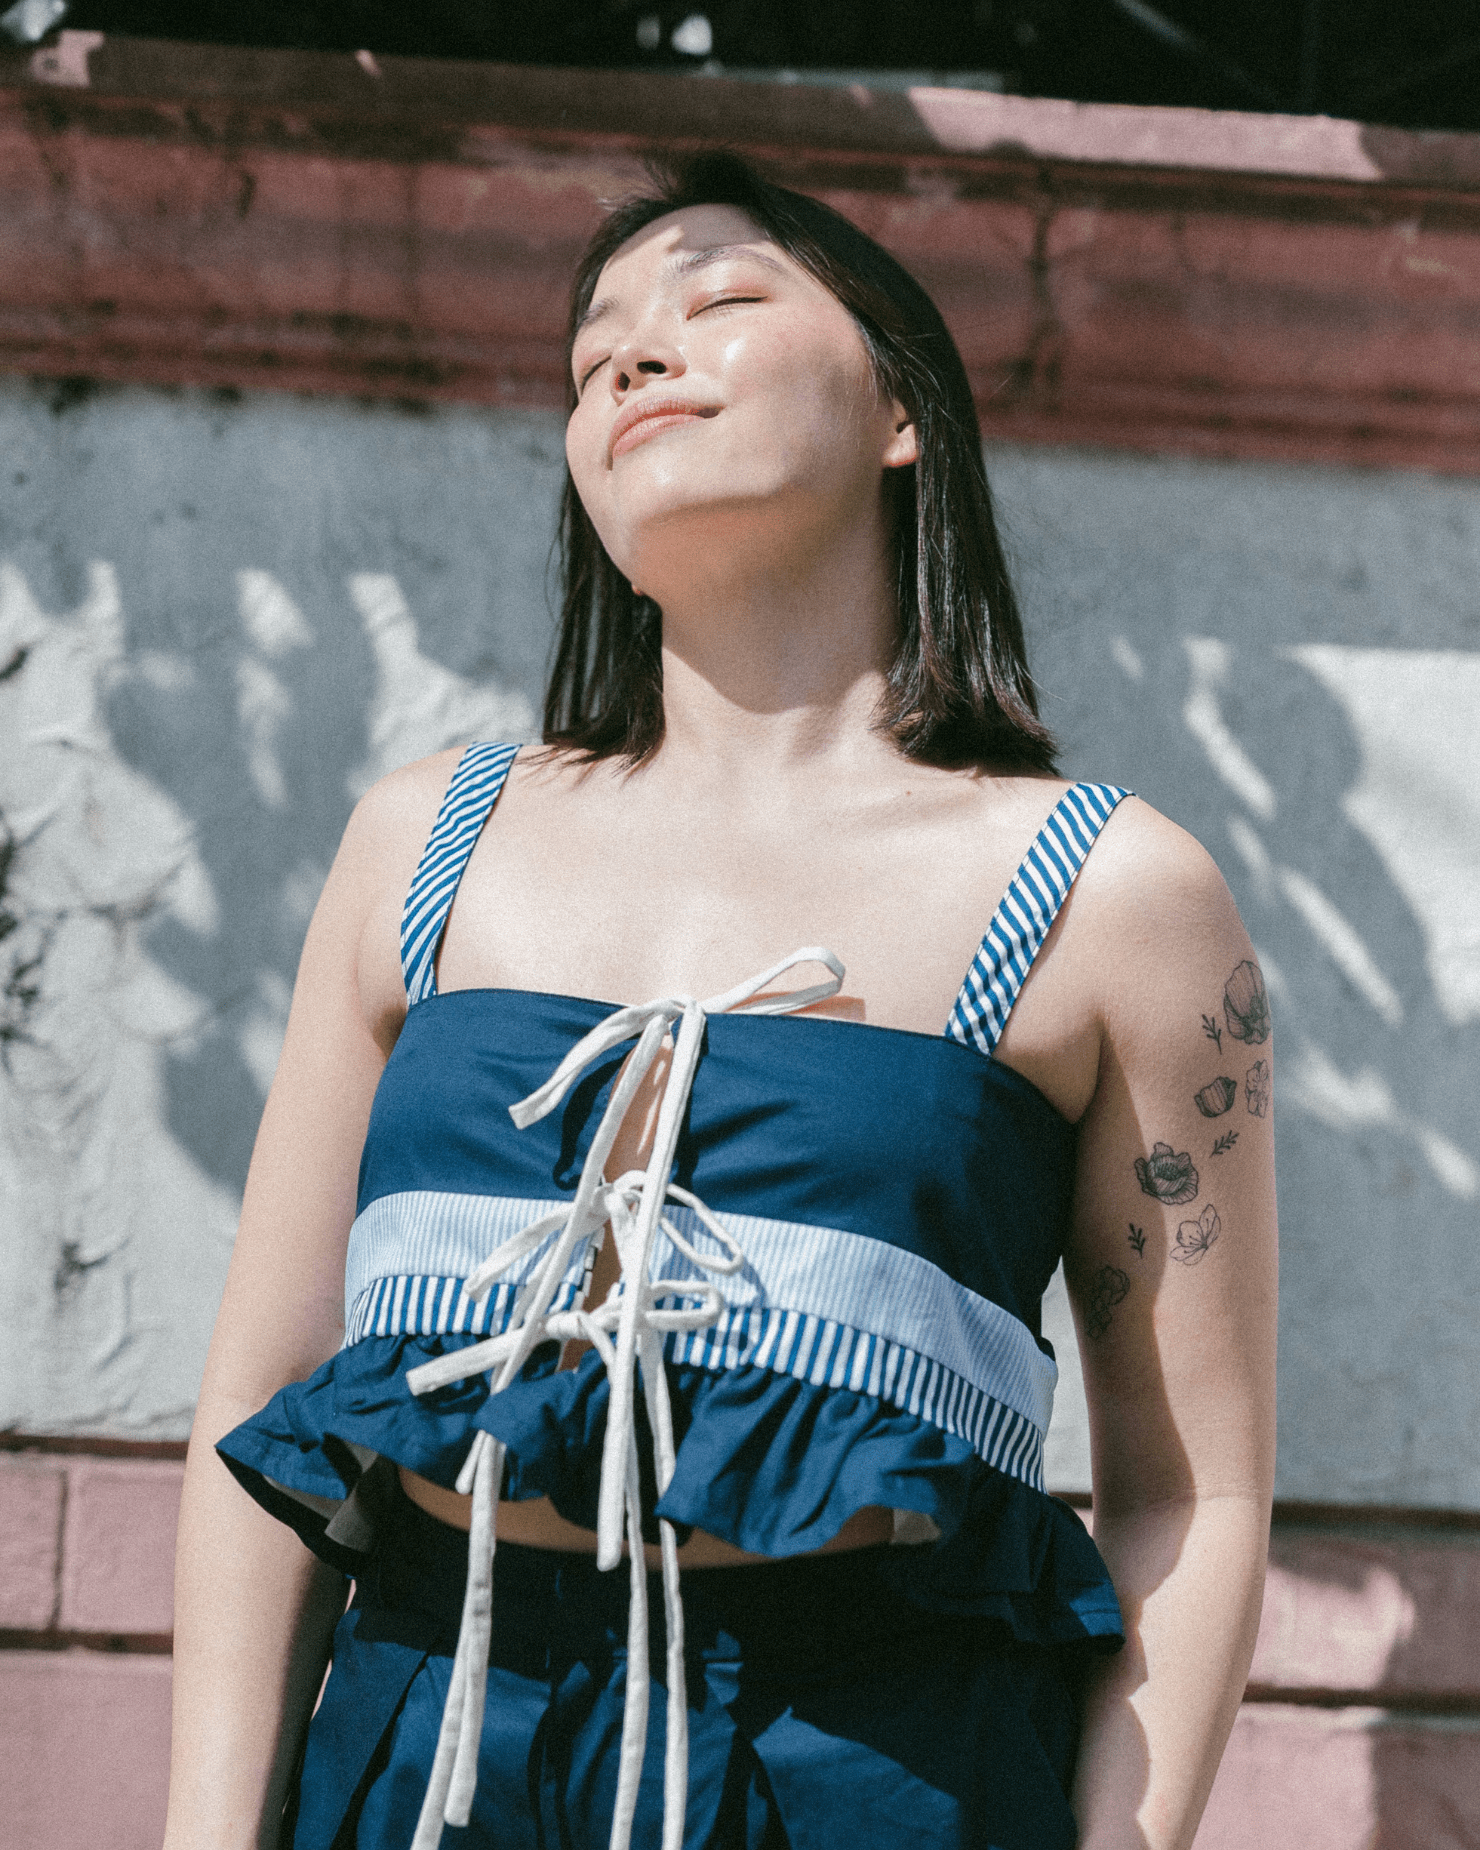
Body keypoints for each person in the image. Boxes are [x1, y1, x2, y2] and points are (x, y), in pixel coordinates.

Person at [162, 151, 1278, 1850]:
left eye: (722, 300)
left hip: (870, 1762)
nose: (631, 356)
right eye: (591, 352)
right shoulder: (423, 843)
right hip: (425, 1737)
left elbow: (1190, 1488)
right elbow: (265, 1392)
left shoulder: (1109, 893)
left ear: (901, 411)